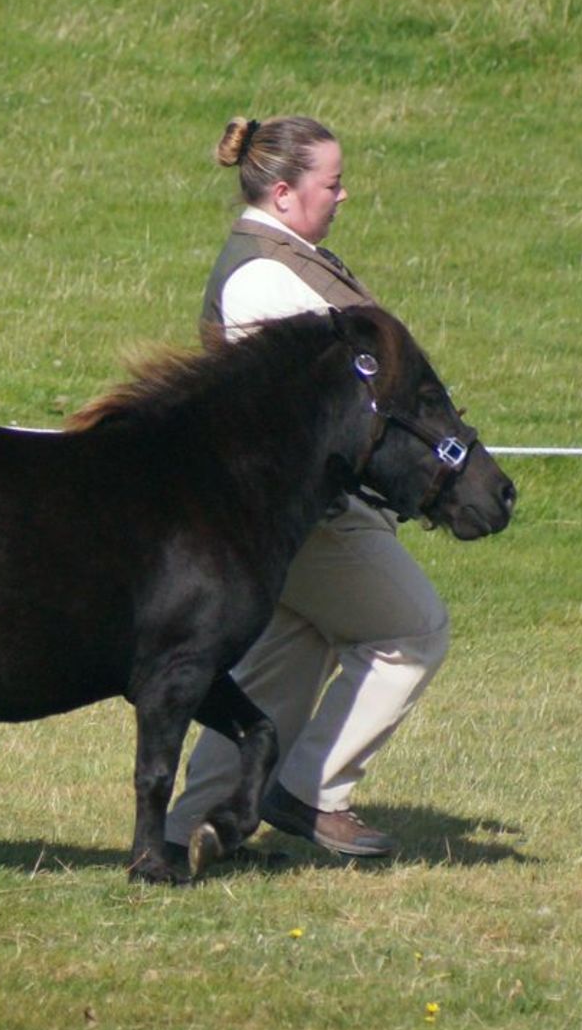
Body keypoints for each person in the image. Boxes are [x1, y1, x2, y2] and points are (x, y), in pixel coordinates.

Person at [165, 115, 451, 864]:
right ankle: (311, 791)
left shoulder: (291, 257)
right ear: (287, 192)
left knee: (289, 656)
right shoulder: (264, 277)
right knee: (413, 630)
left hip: (283, 517)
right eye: (333, 181)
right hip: (307, 514)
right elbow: (325, 406)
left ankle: (196, 828)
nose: (344, 193)